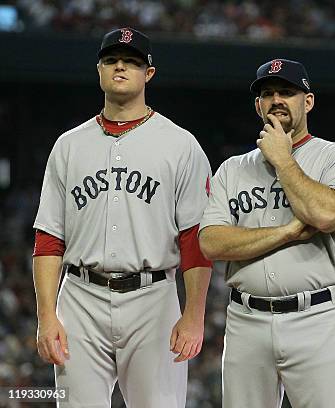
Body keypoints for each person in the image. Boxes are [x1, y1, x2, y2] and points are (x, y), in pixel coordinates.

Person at [32, 27, 213, 408]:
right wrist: (46, 316)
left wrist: (194, 315)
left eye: (131, 62)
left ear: (148, 74)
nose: (120, 67)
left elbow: (195, 240)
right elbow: (49, 239)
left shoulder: (181, 144)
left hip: (153, 299)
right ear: (98, 70)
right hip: (80, 297)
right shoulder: (69, 146)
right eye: (112, 60)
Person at [199, 58, 335, 408]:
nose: (276, 100)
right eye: (268, 93)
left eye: (287, 92)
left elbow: (326, 215)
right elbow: (211, 242)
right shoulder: (233, 168)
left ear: (308, 101)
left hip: (317, 318)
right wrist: (288, 232)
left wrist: (284, 160)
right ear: (257, 105)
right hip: (246, 320)